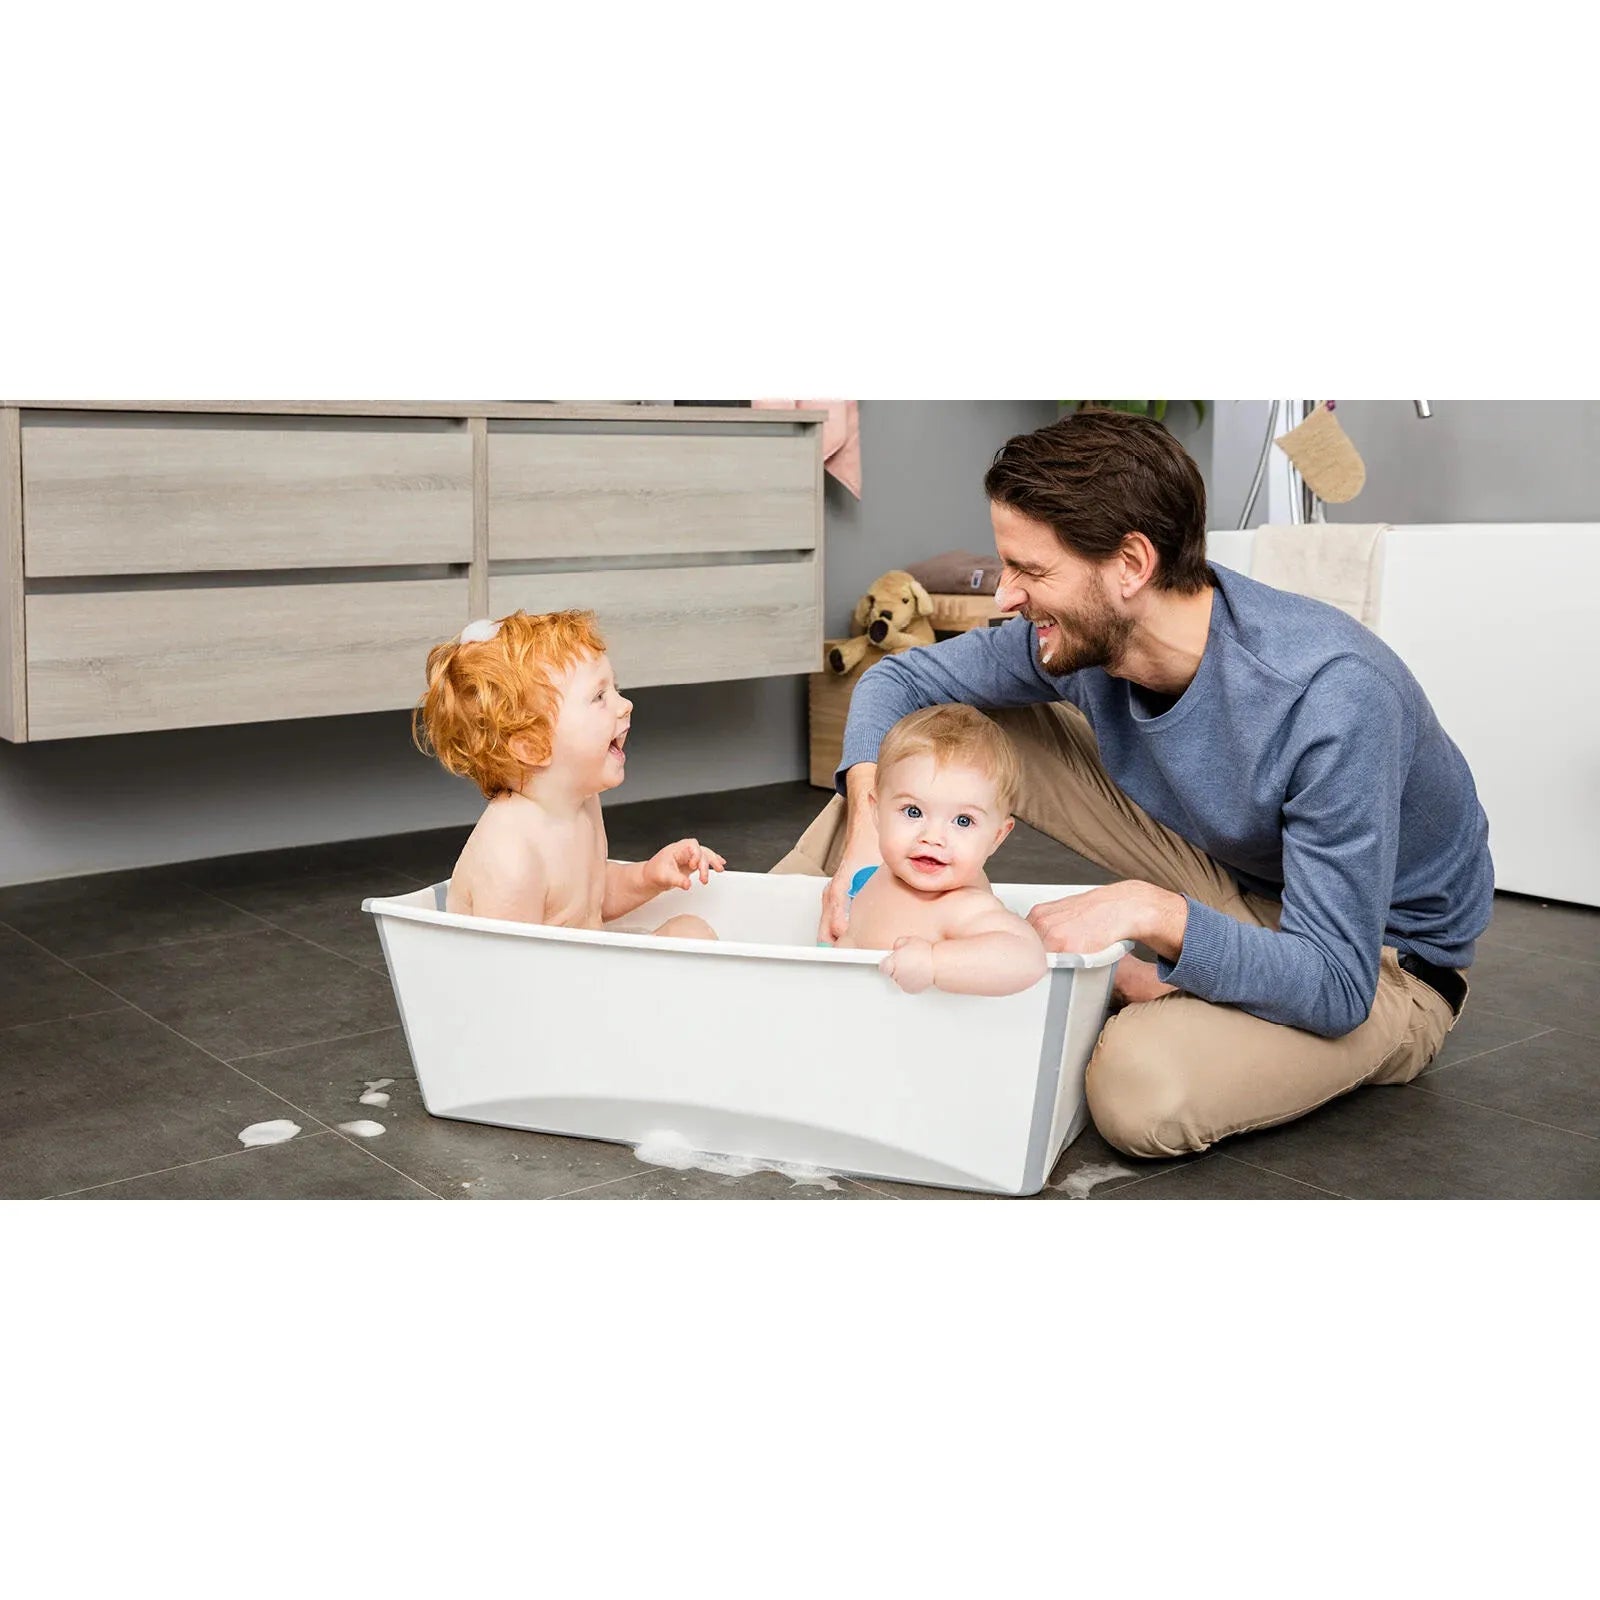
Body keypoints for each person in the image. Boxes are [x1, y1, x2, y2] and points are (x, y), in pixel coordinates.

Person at [775, 409, 1493, 1158]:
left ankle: (1163, 986)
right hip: (1234, 880)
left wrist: (1150, 911)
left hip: (1378, 967)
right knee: (935, 737)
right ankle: (776, 949)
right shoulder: (1080, 637)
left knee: (1137, 1089)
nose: (1006, 598)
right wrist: (866, 842)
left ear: (1131, 564)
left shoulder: (1333, 697)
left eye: (1031, 571)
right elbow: (896, 681)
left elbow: (1335, 985)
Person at [414, 610, 723, 937]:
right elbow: (507, 964)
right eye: (599, 696)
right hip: (534, 970)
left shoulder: (582, 802)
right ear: (533, 746)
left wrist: (648, 876)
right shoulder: (512, 856)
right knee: (690, 935)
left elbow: (590, 899)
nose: (625, 705)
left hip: (578, 964)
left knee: (689, 930)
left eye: (615, 688)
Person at [836, 704, 1047, 997]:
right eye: (913, 811)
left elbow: (1028, 959)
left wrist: (934, 963)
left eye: (963, 821)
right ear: (876, 811)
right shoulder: (884, 873)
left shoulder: (964, 906)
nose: (933, 838)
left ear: (997, 837)